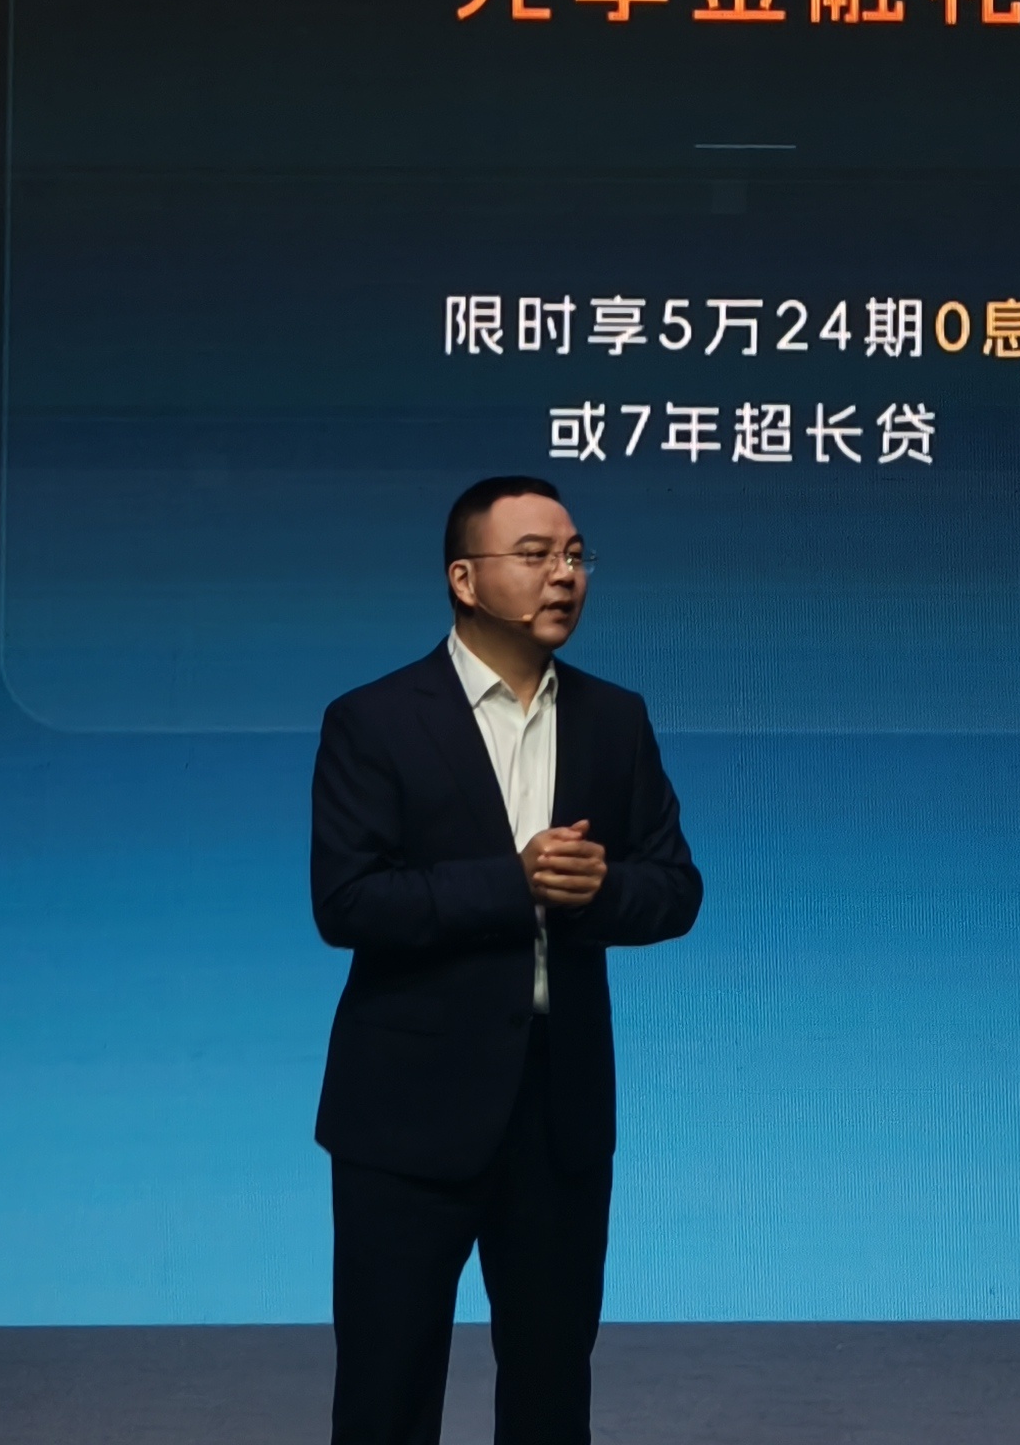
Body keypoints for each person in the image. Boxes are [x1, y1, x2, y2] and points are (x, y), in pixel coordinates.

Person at [310, 475, 702, 1445]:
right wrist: (513, 882)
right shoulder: (373, 719)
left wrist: (597, 890)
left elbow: (675, 889)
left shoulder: (616, 719)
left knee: (550, 1394)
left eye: (575, 555)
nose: (564, 574)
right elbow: (348, 902)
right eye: (535, 556)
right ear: (464, 579)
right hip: (406, 1118)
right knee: (386, 1395)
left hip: (558, 1116)